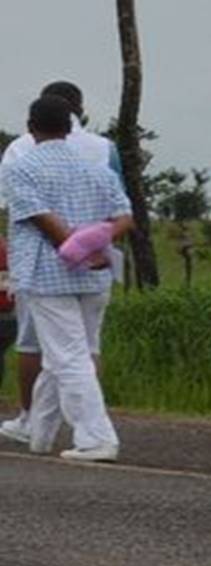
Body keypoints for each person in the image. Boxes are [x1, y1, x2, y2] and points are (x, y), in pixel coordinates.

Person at [0, 95, 131, 461]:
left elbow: (43, 220)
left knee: (68, 356)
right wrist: (99, 242)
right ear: (72, 126)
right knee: (67, 354)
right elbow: (124, 217)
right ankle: (39, 433)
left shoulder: (22, 169)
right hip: (95, 276)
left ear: (30, 127)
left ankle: (96, 437)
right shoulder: (97, 169)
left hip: (48, 274)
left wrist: (76, 247)